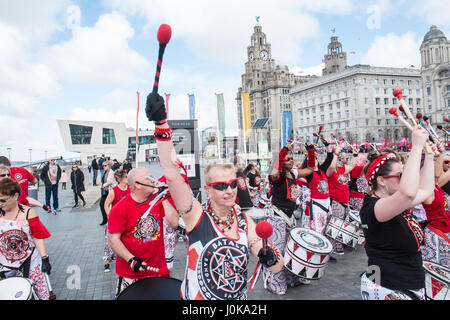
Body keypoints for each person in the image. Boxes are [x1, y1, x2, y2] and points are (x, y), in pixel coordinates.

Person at [147, 92, 284, 300]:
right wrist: (161, 124)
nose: (229, 190)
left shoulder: (244, 221)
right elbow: (172, 175)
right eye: (221, 186)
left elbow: (276, 268)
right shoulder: (196, 216)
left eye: (232, 184)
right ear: (208, 189)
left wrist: (270, 257)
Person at [360, 125, 435, 300]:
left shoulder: (395, 202)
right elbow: (408, 192)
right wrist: (415, 146)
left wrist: (430, 156)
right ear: (381, 181)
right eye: (400, 175)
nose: (405, 179)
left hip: (406, 283)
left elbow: (426, 189)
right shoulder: (374, 208)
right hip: (389, 285)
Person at [108, 167, 179, 296]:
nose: (154, 181)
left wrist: (162, 198)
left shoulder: (157, 201)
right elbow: (114, 240)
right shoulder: (119, 209)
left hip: (158, 270)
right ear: (137, 185)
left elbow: (174, 222)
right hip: (131, 273)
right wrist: (131, 259)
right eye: (149, 178)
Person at [263, 143, 314, 295]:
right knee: (277, 252)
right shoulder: (278, 176)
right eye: (288, 158)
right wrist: (283, 151)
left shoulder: (293, 174)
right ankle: (276, 284)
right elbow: (276, 171)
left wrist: (311, 152)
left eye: (292, 158)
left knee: (292, 251)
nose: (291, 160)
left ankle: (292, 278)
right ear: (281, 160)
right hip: (277, 217)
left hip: (290, 217)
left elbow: (310, 169)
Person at [0, 178, 52, 300]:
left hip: (30, 260)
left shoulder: (29, 213)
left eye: (3, 200)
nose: (0, 203)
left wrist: (45, 258)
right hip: (6, 264)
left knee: (41, 293)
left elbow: (37, 237)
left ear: (15, 196)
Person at [326, 147, 358, 255]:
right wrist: (335, 154)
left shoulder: (341, 170)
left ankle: (340, 245)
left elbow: (352, 166)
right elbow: (331, 166)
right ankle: (335, 248)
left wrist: (355, 155)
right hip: (336, 202)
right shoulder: (329, 172)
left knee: (343, 225)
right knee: (336, 225)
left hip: (344, 202)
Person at [103, 169, 130, 273]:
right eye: (126, 177)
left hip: (127, 220)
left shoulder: (130, 189)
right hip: (116, 221)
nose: (128, 179)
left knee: (126, 241)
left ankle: (127, 259)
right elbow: (106, 205)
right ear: (119, 179)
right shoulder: (113, 191)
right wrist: (111, 217)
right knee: (111, 242)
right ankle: (107, 262)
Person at [99, 161, 114, 226]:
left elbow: (110, 181)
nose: (103, 167)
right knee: (102, 205)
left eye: (105, 166)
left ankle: (109, 219)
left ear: (109, 166)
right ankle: (105, 219)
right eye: (103, 166)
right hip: (105, 191)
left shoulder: (111, 172)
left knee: (107, 205)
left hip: (109, 190)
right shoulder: (105, 172)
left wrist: (103, 185)